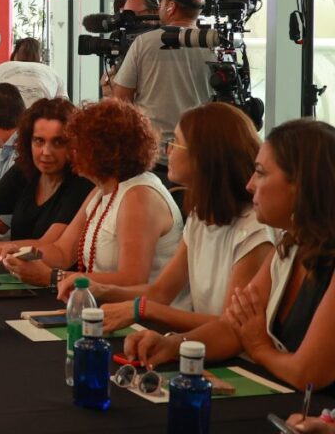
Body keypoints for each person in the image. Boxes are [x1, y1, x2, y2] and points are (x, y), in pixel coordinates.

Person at [124, 119, 335, 393]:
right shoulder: (290, 244)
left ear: (301, 184)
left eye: (260, 173)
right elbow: (233, 328)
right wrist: (175, 345)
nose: (250, 184)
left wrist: (259, 348)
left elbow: (307, 374)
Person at [64, 103, 273, 332]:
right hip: (200, 343)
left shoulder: (254, 230)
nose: (167, 151)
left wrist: (141, 310)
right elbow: (160, 291)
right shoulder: (199, 217)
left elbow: (230, 326)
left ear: (203, 157)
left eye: (174, 142)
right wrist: (101, 290)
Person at [0, 99, 183, 298]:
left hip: (147, 320)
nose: (72, 153)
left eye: (77, 145)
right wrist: (18, 251)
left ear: (102, 151)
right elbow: (62, 251)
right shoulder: (101, 189)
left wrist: (53, 277)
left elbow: (133, 279)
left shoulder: (139, 196)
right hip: (106, 309)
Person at [0, 98, 93, 252]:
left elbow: (48, 245)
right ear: (28, 142)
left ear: (74, 144)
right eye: (39, 141)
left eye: (58, 142)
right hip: (15, 269)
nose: (46, 152)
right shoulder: (24, 169)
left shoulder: (81, 183)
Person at [112, 0, 213, 178]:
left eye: (162, 2)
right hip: (196, 153)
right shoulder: (213, 44)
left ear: (171, 7)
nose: (159, 7)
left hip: (152, 155)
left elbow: (121, 100)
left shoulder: (144, 43)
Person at [101, 0, 160, 99]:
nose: (129, 22)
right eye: (125, 15)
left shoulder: (167, 41)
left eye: (133, 15)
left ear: (155, 12)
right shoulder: (120, 40)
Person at [0, 38, 68, 107]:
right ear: (39, 55)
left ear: (16, 53)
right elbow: (64, 105)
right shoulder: (53, 73)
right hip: (41, 122)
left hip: (5, 122)